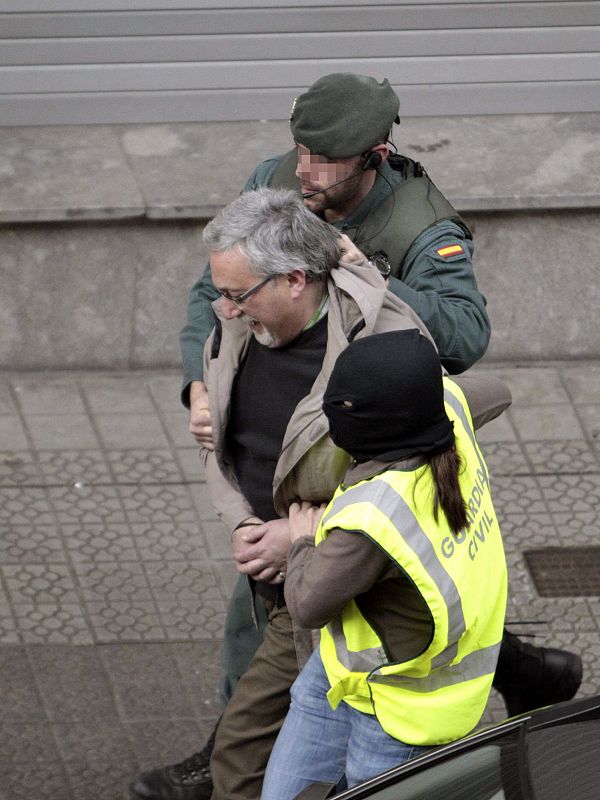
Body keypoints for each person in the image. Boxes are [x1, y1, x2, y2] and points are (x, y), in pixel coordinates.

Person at [130, 74, 581, 800]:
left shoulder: (419, 226)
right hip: (292, 437)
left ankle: (228, 763)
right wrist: (197, 382)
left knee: (307, 607)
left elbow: (465, 337)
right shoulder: (278, 183)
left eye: (326, 158)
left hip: (364, 442)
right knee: (362, 606)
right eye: (301, 149)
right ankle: (526, 671)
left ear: (375, 154)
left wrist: (358, 273)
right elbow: (211, 291)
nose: (304, 169)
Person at [261, 329, 507, 800]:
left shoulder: (372, 520)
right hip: (348, 671)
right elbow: (500, 393)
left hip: (403, 714)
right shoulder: (444, 408)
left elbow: (307, 605)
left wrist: (301, 540)